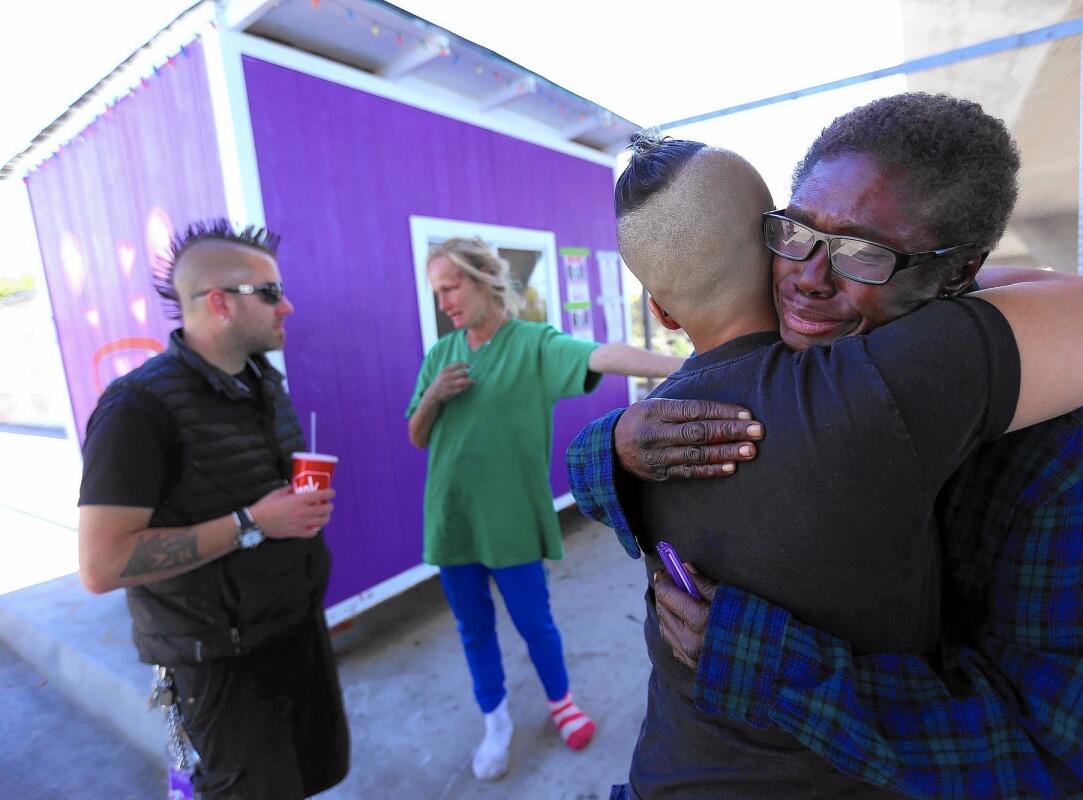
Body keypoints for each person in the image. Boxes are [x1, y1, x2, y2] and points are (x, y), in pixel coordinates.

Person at [570, 94, 1083, 799]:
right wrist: (613, 445)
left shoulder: (1065, 457)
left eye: (864, 253)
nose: (808, 277)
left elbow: (1055, 758)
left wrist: (771, 665)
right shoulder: (741, 392)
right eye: (794, 232)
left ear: (956, 274)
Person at [77, 220, 349, 799]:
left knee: (311, 777)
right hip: (219, 664)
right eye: (271, 293)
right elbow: (101, 565)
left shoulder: (264, 385)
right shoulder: (136, 409)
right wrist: (252, 522)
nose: (288, 307)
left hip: (296, 631)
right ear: (220, 303)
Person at [406, 237, 682, 782]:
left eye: (451, 286)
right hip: (451, 520)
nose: (445, 303)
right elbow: (416, 435)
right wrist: (435, 393)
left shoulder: (531, 344)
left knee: (536, 623)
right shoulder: (440, 355)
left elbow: (598, 355)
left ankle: (561, 702)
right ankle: (495, 721)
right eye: (436, 293)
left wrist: (686, 364)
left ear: (485, 277)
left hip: (510, 521)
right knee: (472, 628)